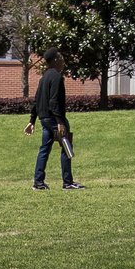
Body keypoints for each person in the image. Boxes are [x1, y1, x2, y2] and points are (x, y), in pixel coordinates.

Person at [24, 50, 82, 190]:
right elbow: (54, 101)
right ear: (55, 59)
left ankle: (38, 183)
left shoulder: (43, 78)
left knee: (44, 149)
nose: (63, 59)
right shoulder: (56, 77)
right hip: (53, 118)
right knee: (66, 146)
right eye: (61, 57)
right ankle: (67, 182)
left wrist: (32, 120)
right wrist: (60, 121)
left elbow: (37, 100)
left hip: (44, 118)